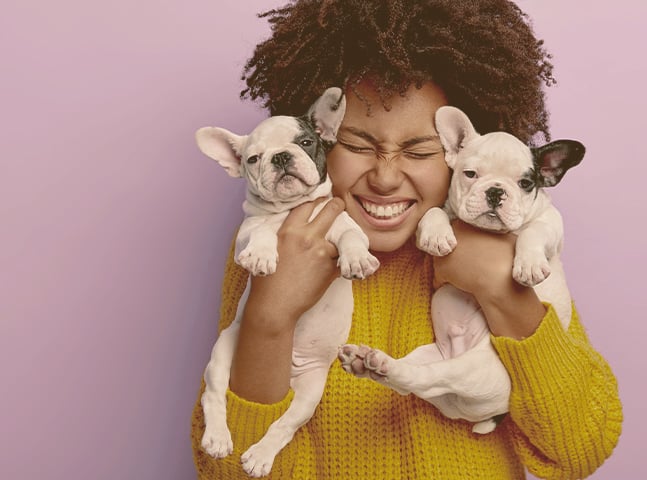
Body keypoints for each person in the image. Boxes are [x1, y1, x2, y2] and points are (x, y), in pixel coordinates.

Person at [191, 0, 623, 478]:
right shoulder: (273, 244)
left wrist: (504, 293)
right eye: (357, 145)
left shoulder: (516, 247)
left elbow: (579, 451)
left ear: (462, 151)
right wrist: (270, 317)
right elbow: (228, 471)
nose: (385, 177)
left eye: (419, 150)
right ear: (322, 137)